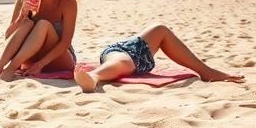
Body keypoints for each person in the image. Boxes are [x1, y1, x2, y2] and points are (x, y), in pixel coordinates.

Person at [74, 24, 245, 92]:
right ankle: (94, 77)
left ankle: (205, 71)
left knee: (161, 29)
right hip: (117, 53)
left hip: (132, 48)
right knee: (123, 62)